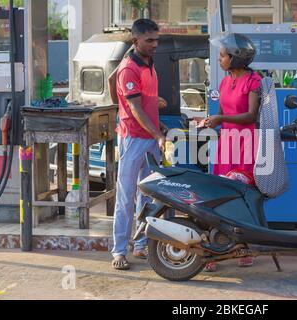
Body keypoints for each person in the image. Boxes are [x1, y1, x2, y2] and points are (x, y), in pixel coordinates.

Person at [199, 33, 261, 272]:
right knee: (219, 197)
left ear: (235, 58)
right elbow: (222, 113)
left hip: (245, 144)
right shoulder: (224, 82)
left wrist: (220, 118)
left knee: (242, 196)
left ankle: (243, 247)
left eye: (222, 56)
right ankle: (216, 249)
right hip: (227, 143)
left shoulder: (253, 81)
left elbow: (251, 116)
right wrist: (210, 121)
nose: (219, 60)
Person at [111, 19, 167, 271]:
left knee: (148, 195)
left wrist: (156, 110)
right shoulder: (128, 69)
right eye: (150, 40)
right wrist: (157, 135)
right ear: (136, 41)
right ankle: (119, 251)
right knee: (126, 197)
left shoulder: (148, 62)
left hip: (150, 138)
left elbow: (142, 101)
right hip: (133, 139)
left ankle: (141, 244)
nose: (155, 44)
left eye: (156, 39)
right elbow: (134, 108)